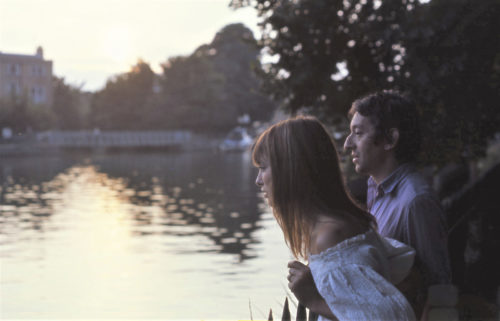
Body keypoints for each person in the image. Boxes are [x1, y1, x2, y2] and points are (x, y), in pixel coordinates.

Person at [253, 116, 416, 321]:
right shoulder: (343, 224)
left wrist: (313, 300)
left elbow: (388, 317)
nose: (258, 180)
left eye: (263, 168)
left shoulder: (331, 237)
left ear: (292, 168)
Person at [343, 90, 452, 316]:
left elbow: (439, 289)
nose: (347, 143)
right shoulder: (375, 188)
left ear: (390, 139)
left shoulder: (416, 201)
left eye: (358, 133)